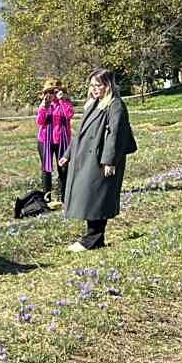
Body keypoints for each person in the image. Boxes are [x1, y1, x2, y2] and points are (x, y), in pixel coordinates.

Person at [63, 69, 138, 252]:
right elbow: (81, 134)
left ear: (108, 85)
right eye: (92, 85)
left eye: (99, 85)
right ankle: (93, 237)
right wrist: (68, 154)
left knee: (97, 197)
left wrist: (109, 161)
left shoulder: (115, 106)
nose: (95, 89)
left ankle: (93, 239)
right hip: (86, 158)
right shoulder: (93, 104)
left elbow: (115, 135)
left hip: (101, 159)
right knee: (90, 196)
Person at [36, 79, 74, 202]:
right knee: (46, 168)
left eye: (55, 91)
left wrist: (62, 100)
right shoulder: (45, 104)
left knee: (63, 168)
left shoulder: (65, 103)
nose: (53, 94)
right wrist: (43, 108)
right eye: (50, 91)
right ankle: (47, 197)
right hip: (45, 140)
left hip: (62, 140)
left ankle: (63, 196)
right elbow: (40, 122)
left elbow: (69, 115)